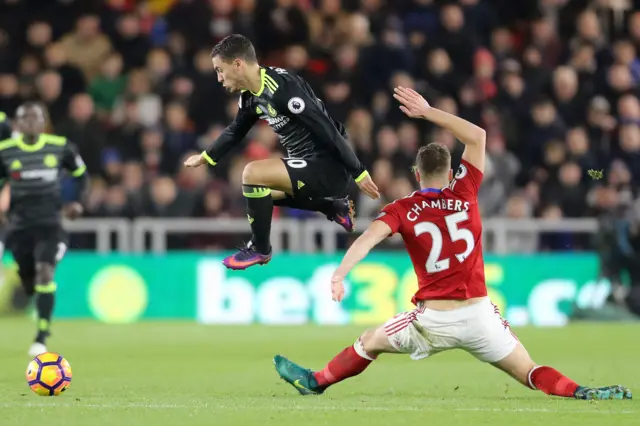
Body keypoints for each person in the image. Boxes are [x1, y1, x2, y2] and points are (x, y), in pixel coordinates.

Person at [273, 87, 632, 401]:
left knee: (369, 341)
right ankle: (579, 391)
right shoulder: (466, 191)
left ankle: (316, 382)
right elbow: (477, 136)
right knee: (529, 372)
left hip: (435, 320)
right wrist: (428, 112)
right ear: (450, 172)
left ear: (416, 174)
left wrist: (340, 274)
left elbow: (366, 240)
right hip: (479, 316)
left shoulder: (403, 209)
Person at [184, 34, 379, 270]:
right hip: (309, 166)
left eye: (220, 70)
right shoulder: (250, 96)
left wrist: (358, 171)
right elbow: (236, 131)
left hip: (329, 165)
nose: (218, 78)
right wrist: (206, 157)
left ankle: (260, 249)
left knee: (252, 173)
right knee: (256, 194)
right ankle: (331, 206)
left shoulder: (283, 88)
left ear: (237, 64)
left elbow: (326, 128)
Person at [0, 103, 89, 357]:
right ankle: (31, 295)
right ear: (17, 125)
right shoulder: (5, 152)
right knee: (30, 283)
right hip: (18, 228)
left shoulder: (60, 146)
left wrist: (78, 203)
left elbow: (81, 175)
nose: (30, 122)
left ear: (44, 122)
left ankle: (41, 335)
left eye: (35, 118)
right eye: (24, 118)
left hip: (50, 225)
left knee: (45, 272)